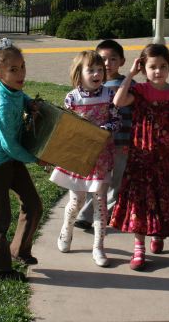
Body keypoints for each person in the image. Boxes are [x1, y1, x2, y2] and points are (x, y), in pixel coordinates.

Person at [110, 44, 169, 271]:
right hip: (141, 157)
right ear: (143, 68)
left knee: (163, 198)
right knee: (140, 201)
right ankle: (139, 247)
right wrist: (130, 74)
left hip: (167, 158)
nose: (158, 71)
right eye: (152, 67)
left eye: (163, 66)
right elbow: (118, 102)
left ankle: (158, 234)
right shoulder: (139, 91)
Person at [0, 38, 46, 282]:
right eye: (13, 70)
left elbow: (20, 96)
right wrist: (36, 159)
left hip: (12, 159)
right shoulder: (2, 106)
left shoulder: (11, 90)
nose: (21, 73)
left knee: (33, 204)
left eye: (23, 66)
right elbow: (9, 145)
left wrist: (30, 103)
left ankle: (19, 250)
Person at [50, 50, 120, 267]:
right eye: (91, 70)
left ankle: (98, 247)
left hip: (101, 156)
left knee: (100, 202)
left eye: (100, 70)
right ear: (79, 72)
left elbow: (116, 120)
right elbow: (66, 126)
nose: (97, 73)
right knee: (76, 201)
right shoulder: (72, 98)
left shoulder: (109, 95)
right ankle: (66, 229)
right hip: (79, 157)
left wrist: (104, 129)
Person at [75, 40, 133, 230]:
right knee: (97, 180)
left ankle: (104, 215)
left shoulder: (128, 84)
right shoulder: (94, 84)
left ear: (122, 61)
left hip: (121, 142)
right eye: (103, 60)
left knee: (116, 181)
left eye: (113, 59)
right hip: (99, 144)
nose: (107, 64)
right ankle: (87, 214)